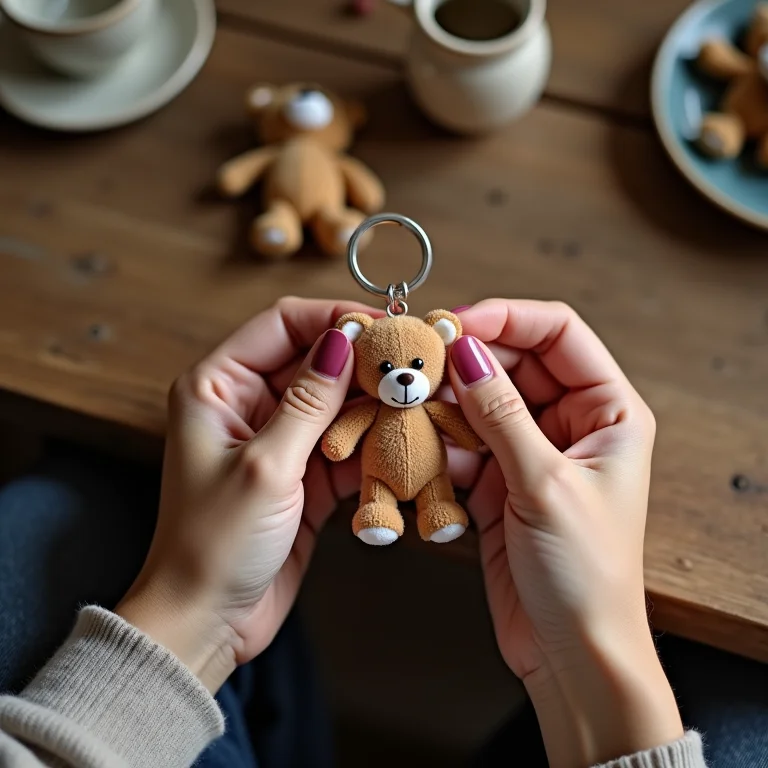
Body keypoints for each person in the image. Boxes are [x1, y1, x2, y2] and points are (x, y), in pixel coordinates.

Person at [0, 297, 765, 767]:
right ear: (363, 348)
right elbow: (341, 438)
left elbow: (463, 416)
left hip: (99, 737)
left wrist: (195, 616)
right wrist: (600, 662)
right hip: (375, 486)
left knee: (60, 512)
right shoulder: (371, 398)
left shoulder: (431, 400)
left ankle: (419, 517)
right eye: (388, 364)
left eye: (415, 364)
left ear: (437, 345)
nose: (403, 376)